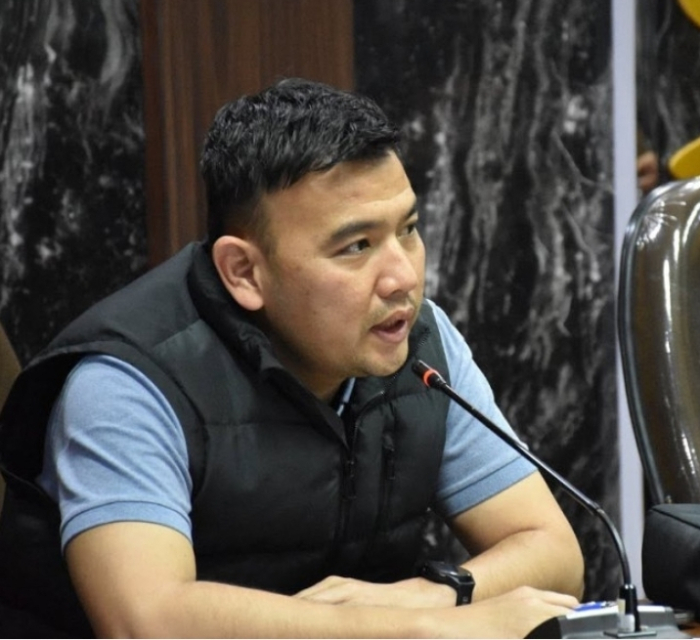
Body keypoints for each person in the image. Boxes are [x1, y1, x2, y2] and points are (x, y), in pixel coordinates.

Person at [0, 78, 584, 638]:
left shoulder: (418, 345)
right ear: (244, 272)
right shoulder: (129, 381)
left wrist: (432, 596)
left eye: (408, 230)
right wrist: (422, 630)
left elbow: (554, 553)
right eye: (356, 246)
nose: (403, 278)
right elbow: (148, 622)